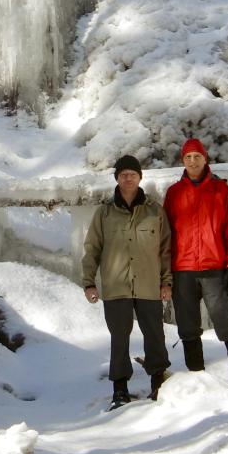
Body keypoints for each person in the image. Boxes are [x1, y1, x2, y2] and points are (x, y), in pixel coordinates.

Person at [82, 155, 172, 409]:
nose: (128, 178)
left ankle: (158, 383)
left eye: (132, 174)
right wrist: (89, 282)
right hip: (116, 286)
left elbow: (165, 249)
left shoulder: (155, 211)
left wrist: (167, 282)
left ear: (140, 177)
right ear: (117, 179)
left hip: (148, 285)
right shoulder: (105, 213)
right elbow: (92, 249)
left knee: (154, 335)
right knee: (119, 338)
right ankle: (120, 389)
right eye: (123, 174)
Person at [163, 138, 228, 391]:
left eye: (197, 156)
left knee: (227, 327)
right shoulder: (174, 193)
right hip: (183, 272)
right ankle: (199, 386)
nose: (192, 161)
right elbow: (166, 234)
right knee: (189, 330)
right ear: (183, 161)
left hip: (213, 270)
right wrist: (166, 272)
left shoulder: (220, 190)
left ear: (205, 159)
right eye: (188, 157)